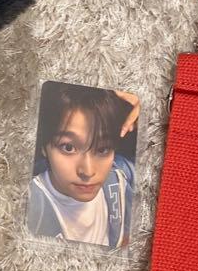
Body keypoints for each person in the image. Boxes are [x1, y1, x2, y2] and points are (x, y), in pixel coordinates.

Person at [27, 82, 138, 249]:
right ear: (44, 146)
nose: (88, 171)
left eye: (103, 149)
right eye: (68, 147)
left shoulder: (121, 175)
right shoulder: (28, 206)